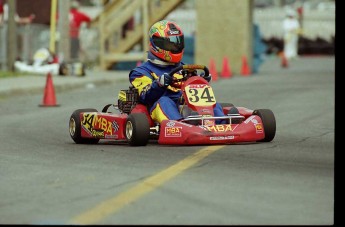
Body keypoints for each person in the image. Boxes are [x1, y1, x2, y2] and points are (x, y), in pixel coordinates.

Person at [129, 20, 235, 124]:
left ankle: (222, 123)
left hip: (185, 104)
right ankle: (179, 125)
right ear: (157, 44)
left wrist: (200, 80)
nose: (175, 47)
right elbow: (144, 95)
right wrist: (159, 84)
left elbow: (191, 87)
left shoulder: (182, 67)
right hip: (159, 108)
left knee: (207, 101)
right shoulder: (140, 72)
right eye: (171, 44)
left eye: (178, 43)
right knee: (164, 101)